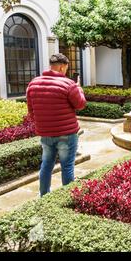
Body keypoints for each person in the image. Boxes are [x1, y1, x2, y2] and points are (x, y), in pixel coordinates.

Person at [26, 53, 86, 197]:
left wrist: (43, 124)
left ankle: (44, 195)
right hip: (67, 134)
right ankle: (67, 197)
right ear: (61, 67)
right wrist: (80, 90)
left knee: (46, 165)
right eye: (66, 68)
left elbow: (31, 110)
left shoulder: (33, 83)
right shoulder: (69, 84)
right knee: (67, 166)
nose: (66, 71)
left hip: (45, 134)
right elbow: (80, 104)